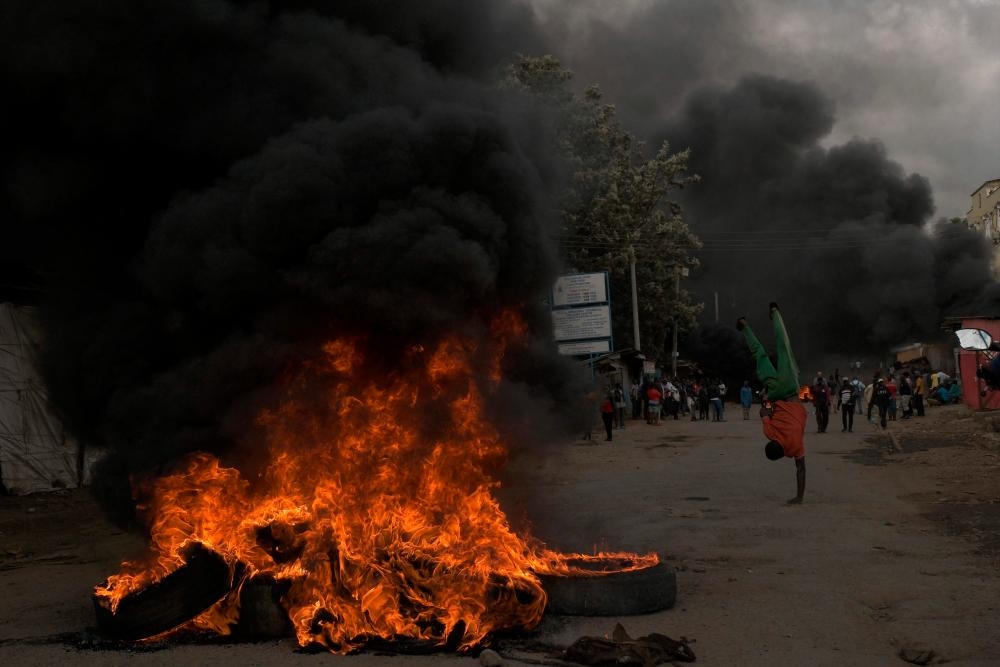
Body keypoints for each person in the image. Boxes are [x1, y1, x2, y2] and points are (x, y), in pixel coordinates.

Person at [737, 302, 807, 505]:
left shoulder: (794, 447)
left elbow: (801, 469)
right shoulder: (769, 433)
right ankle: (745, 325)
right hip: (776, 391)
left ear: (782, 454)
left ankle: (775, 313)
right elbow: (763, 412)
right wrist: (767, 402)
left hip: (791, 390)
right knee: (760, 354)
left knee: (784, 348)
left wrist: (799, 497)